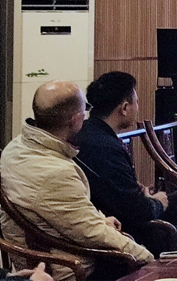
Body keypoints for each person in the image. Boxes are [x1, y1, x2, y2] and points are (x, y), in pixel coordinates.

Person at [0, 81, 154, 281]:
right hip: (67, 269)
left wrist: (100, 219)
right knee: (151, 246)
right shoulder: (56, 172)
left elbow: (63, 213)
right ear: (75, 119)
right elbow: (92, 232)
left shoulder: (15, 147)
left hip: (44, 251)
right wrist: (149, 259)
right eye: (85, 110)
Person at [71, 72, 177, 251]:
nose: (138, 107)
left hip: (126, 213)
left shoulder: (90, 133)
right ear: (124, 108)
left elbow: (118, 193)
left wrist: (140, 193)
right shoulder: (104, 146)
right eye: (136, 102)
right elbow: (135, 211)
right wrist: (157, 202)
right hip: (129, 230)